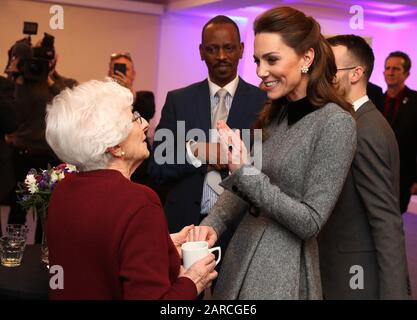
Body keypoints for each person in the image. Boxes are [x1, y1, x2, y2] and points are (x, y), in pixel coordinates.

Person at [193, 6, 357, 299]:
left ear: (306, 58)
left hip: (283, 269)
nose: (260, 72)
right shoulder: (275, 114)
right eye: (257, 61)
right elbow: (244, 187)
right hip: (242, 252)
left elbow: (311, 221)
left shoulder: (336, 124)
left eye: (272, 60)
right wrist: (214, 224)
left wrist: (243, 170)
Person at [45, 79, 217, 299]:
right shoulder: (139, 202)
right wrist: (191, 282)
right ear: (115, 147)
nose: (145, 123)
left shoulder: (64, 190)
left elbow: (95, 261)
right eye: (134, 118)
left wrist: (162, 246)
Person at [148, 15, 267, 237]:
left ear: (241, 50)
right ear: (201, 52)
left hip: (241, 229)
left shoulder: (264, 102)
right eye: (212, 49)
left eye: (228, 48)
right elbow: (157, 167)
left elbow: (268, 168)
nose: (221, 56)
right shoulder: (179, 101)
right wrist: (199, 154)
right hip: (185, 228)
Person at [318, 34, 410, 299]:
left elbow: (386, 221)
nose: (324, 76)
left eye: (331, 69)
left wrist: (394, 294)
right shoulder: (352, 121)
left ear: (356, 73)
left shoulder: (364, 129)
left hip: (353, 275)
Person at [380, 51, 417, 213]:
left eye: (396, 69)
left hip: (403, 178)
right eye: (387, 68)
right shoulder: (376, 100)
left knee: (393, 225)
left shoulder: (415, 102)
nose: (390, 72)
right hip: (376, 175)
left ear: (407, 74)